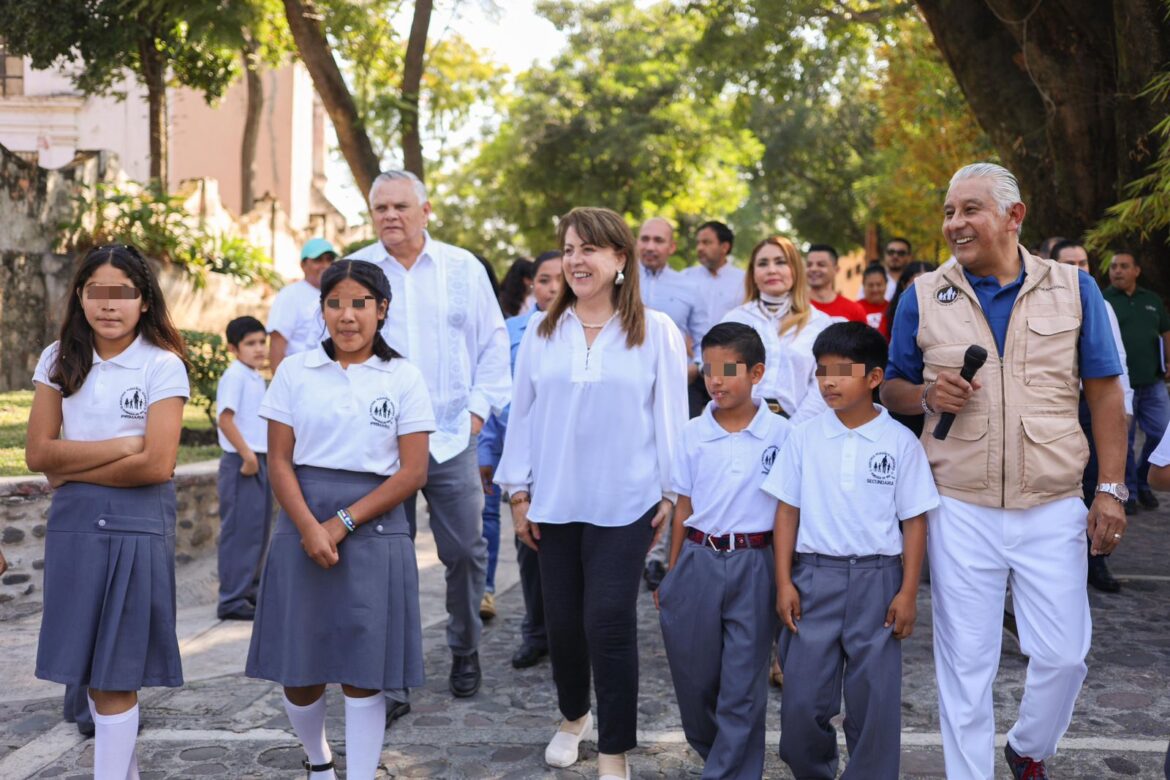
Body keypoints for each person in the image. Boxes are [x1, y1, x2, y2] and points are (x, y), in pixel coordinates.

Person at [881, 162, 1127, 780]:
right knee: (966, 664)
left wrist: (1110, 489)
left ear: (1014, 216)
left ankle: (1028, 746)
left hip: (1053, 501)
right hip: (958, 503)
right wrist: (927, 395)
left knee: (1064, 656)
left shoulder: (1075, 289)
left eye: (970, 209)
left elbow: (1104, 393)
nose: (955, 224)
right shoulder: (921, 295)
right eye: (948, 212)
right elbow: (892, 387)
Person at [496, 207, 687, 780]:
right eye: (569, 249)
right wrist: (518, 493)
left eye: (590, 249)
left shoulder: (656, 330)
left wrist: (670, 493)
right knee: (563, 624)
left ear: (620, 258)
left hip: (625, 503)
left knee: (608, 620)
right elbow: (523, 415)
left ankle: (613, 750)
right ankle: (574, 715)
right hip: (554, 502)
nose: (576, 260)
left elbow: (671, 417)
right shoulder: (542, 330)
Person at [246, 260, 434, 780]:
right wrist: (310, 526)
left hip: (376, 528)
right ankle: (319, 761)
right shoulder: (294, 371)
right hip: (301, 521)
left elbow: (413, 471)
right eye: (334, 303)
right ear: (322, 309)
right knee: (299, 669)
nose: (346, 316)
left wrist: (341, 523)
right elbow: (278, 460)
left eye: (359, 303)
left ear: (382, 309)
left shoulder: (404, 376)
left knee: (364, 669)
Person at [26, 244, 190, 779]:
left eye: (123, 292)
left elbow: (157, 464)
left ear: (144, 301)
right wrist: (122, 445)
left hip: (138, 524)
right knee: (91, 672)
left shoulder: (162, 364)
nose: (109, 303)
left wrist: (71, 468)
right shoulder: (57, 358)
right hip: (74, 528)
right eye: (97, 290)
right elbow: (38, 454)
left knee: (116, 675)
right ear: (80, 296)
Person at [347, 170, 510, 704]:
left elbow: (493, 344)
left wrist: (477, 415)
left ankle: (465, 646)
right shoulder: (357, 271)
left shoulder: (463, 267)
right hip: (379, 445)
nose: (390, 215)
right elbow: (334, 347)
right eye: (381, 208)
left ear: (425, 210)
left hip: (451, 437)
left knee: (465, 551)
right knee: (385, 561)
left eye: (400, 206)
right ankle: (391, 674)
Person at [767, 321, 937, 779]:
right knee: (801, 705)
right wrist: (784, 582)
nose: (828, 382)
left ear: (875, 377)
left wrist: (908, 593)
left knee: (874, 706)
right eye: (822, 371)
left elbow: (914, 521)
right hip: (813, 580)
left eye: (842, 371)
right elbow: (786, 512)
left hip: (878, 583)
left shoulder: (900, 442)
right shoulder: (803, 437)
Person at [658, 322, 789, 780]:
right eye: (708, 369)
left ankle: (729, 771)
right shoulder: (693, 433)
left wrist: (785, 578)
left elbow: (789, 512)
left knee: (742, 685)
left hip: (756, 563)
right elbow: (684, 505)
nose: (715, 380)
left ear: (756, 373)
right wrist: (673, 572)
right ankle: (722, 755)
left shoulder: (782, 434)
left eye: (728, 370)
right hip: (697, 561)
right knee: (694, 680)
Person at [479, 250, 563, 668]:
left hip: (569, 458)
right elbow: (495, 394)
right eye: (544, 280)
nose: (553, 288)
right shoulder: (511, 331)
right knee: (530, 547)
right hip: (524, 461)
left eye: (561, 279)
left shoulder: (594, 332)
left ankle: (572, 634)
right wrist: (486, 452)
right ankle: (537, 631)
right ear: (532, 285)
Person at [1052, 240, 1134, 593]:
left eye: (1082, 262)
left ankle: (1096, 561)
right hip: (1054, 408)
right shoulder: (1039, 304)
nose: (1077, 269)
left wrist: (1125, 408)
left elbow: (1118, 362)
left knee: (1093, 484)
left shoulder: (1099, 303)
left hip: (1091, 406)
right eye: (1068, 263)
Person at [636, 217, 711, 590]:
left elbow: (705, 339)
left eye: (658, 240)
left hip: (677, 389)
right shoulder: (618, 281)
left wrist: (693, 369)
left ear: (672, 247)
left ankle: (657, 555)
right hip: (627, 393)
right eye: (645, 239)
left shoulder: (689, 288)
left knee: (672, 463)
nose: (650, 246)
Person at [721, 236, 832, 424]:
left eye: (781, 262)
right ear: (753, 273)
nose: (771, 270)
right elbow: (720, 372)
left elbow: (824, 381)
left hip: (800, 427)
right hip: (740, 425)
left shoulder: (819, 323)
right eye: (763, 264)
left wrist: (793, 429)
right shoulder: (735, 320)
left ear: (795, 269)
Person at [213, 316, 273, 620]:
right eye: (250, 343)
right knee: (240, 532)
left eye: (262, 342)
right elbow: (225, 419)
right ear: (234, 349)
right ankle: (232, 599)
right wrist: (248, 456)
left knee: (257, 531)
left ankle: (251, 592)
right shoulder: (235, 375)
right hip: (242, 462)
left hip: (258, 460)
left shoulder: (254, 376)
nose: (259, 348)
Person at [1104, 250, 1170, 516]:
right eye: (1113, 267)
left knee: (1160, 435)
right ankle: (1128, 492)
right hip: (1120, 384)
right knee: (1124, 443)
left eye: (1123, 266)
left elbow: (1165, 332)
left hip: (1153, 381)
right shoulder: (1103, 300)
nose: (1117, 271)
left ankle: (1145, 481)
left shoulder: (1151, 300)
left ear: (1136, 271)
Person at [268, 238, 336, 371]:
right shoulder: (290, 295)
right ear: (303, 265)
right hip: (298, 376)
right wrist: (279, 380)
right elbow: (277, 342)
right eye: (318, 260)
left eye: (329, 260)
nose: (325, 265)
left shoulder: (338, 295)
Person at [682, 220, 745, 326]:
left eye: (706, 242)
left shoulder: (744, 281)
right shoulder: (685, 277)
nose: (699, 248)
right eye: (698, 243)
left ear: (724, 247)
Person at [806, 244, 867, 323]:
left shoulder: (854, 311)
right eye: (809, 265)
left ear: (836, 269)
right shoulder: (794, 307)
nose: (813, 269)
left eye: (821, 265)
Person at [858, 263, 891, 338]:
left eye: (879, 285)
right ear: (863, 285)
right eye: (870, 285)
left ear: (886, 284)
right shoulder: (855, 309)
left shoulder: (893, 309)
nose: (875, 289)